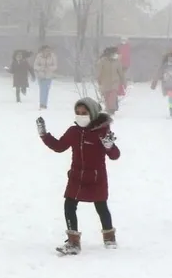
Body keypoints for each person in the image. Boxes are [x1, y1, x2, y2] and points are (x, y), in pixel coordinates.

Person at [37, 98, 120, 255]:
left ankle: (109, 238)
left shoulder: (102, 132)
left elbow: (115, 156)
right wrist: (44, 135)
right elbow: (59, 146)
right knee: (69, 205)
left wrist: (110, 146)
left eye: (84, 113)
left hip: (96, 178)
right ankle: (73, 242)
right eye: (78, 113)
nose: (80, 116)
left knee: (101, 207)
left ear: (92, 113)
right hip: (76, 177)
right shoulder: (73, 132)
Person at [96, 47, 126, 114]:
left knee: (112, 96)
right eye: (114, 53)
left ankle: (112, 109)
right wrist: (99, 80)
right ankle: (109, 109)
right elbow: (99, 71)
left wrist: (124, 82)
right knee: (107, 97)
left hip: (114, 82)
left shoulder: (117, 62)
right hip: (105, 82)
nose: (116, 55)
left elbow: (121, 73)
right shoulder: (102, 61)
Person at [32, 45, 58, 110]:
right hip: (41, 76)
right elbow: (35, 66)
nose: (47, 51)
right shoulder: (39, 56)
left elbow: (55, 66)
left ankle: (45, 104)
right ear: (43, 50)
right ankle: (41, 104)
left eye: (48, 50)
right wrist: (41, 68)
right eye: (46, 50)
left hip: (49, 76)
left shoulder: (53, 56)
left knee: (46, 90)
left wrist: (49, 68)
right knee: (42, 90)